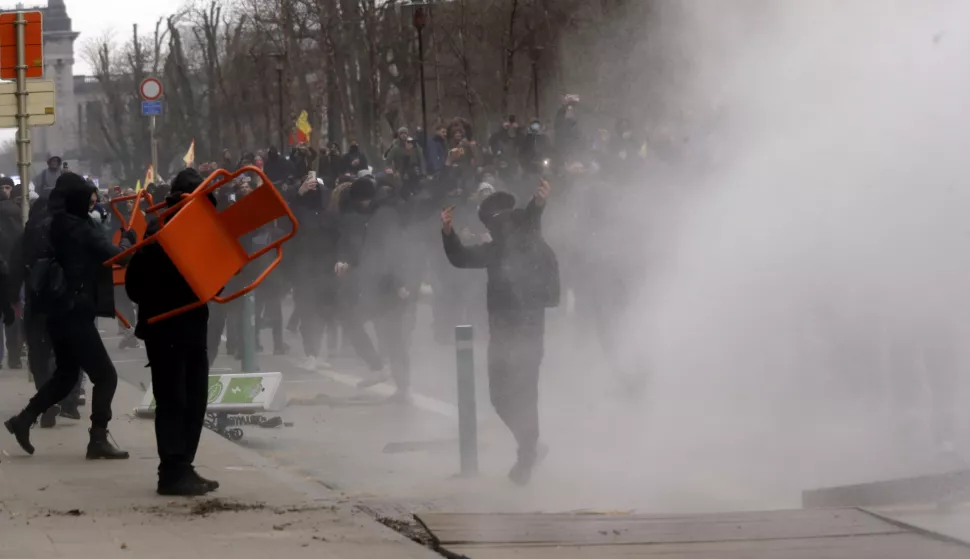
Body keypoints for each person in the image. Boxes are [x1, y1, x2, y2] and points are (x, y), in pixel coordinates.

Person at [4, 173, 133, 460]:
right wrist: (127, 241)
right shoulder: (78, 227)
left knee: (65, 376)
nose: (91, 204)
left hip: (58, 313)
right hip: (75, 313)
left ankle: (23, 420)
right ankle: (98, 438)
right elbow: (115, 256)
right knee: (107, 377)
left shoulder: (52, 223)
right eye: (87, 199)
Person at [441, 178, 559, 485]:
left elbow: (461, 258)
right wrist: (449, 233)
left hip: (512, 332)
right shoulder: (524, 237)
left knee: (504, 397)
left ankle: (528, 451)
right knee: (521, 396)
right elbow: (463, 257)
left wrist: (448, 233)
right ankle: (529, 447)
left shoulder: (513, 241)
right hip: (527, 333)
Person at [125, 168, 220, 496]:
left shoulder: (196, 230)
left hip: (187, 328)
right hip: (168, 329)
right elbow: (135, 285)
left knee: (192, 400)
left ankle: (182, 467)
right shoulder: (160, 231)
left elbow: (215, 279)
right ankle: (173, 471)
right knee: (174, 400)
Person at [0, 176, 23, 369]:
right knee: (13, 315)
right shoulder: (17, 213)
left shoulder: (14, 213)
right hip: (13, 270)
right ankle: (14, 354)